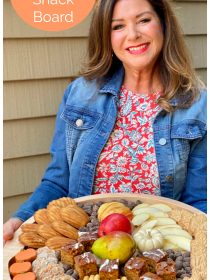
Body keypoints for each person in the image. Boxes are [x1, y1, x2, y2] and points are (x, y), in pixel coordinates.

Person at [4, 0, 206, 244]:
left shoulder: (197, 105)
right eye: (118, 26)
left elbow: (198, 201)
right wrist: (20, 219)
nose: (133, 35)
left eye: (144, 20)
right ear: (106, 37)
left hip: (161, 254)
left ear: (163, 24)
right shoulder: (80, 95)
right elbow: (58, 183)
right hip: (81, 250)